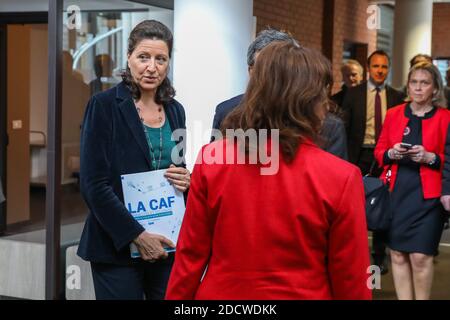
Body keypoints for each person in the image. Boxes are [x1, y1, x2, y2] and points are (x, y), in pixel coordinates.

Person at [165, 41, 371, 300]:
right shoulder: (341, 177)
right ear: (308, 101)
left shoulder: (212, 159)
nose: (326, 105)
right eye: (323, 95)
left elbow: (191, 257)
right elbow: (350, 278)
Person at [77, 20, 191, 300]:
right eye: (143, 57)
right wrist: (137, 236)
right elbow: (94, 185)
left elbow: (177, 165)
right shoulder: (104, 106)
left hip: (166, 242)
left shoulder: (176, 111)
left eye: (160, 59)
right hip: (116, 244)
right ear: (128, 58)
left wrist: (186, 178)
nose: (152, 67)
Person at [374, 61, 450, 300]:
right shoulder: (394, 114)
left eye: (424, 83)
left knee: (421, 256)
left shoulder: (446, 118)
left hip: (428, 196)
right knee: (396, 254)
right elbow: (379, 151)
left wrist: (429, 157)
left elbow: (448, 158)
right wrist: (391, 153)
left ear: (435, 89)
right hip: (396, 192)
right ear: (407, 86)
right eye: (414, 82)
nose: (418, 88)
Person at [212, 29, 348, 160]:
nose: (273, 77)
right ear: (251, 71)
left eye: (281, 69)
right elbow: (215, 168)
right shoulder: (227, 112)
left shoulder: (328, 125)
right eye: (264, 69)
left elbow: (332, 177)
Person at [342, 50, 406, 274]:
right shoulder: (353, 94)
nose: (380, 71)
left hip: (386, 157)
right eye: (376, 66)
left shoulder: (397, 97)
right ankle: (356, 253)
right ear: (369, 69)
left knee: (382, 204)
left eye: (384, 67)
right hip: (359, 156)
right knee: (354, 205)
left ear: (388, 69)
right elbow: (345, 127)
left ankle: (379, 256)